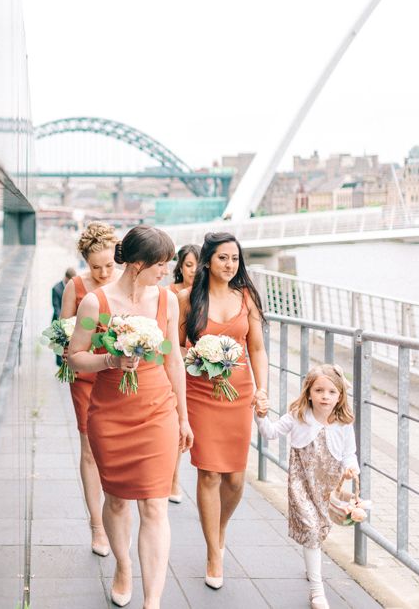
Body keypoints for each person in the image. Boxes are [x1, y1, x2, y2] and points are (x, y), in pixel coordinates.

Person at [68, 225, 193, 609]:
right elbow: (74, 356)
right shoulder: (95, 304)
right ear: (138, 265)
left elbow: (172, 355)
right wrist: (111, 359)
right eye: (161, 264)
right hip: (110, 413)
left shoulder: (166, 301)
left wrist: (184, 418)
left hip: (157, 411)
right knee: (118, 501)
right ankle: (123, 566)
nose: (167, 272)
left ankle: (152, 600)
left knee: (154, 505)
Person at [178, 231, 268, 589]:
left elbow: (257, 349)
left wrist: (263, 390)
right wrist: (200, 357)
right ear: (207, 261)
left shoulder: (248, 298)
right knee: (210, 474)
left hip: (239, 393)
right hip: (201, 392)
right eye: (222, 258)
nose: (230, 265)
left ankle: (220, 527)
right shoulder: (188, 299)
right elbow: (176, 348)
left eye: (235, 259)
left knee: (235, 478)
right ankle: (214, 552)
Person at [255, 365, 359, 609]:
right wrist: (260, 415)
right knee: (311, 531)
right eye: (319, 390)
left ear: (340, 396)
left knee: (319, 532)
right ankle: (317, 590)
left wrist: (352, 468)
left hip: (327, 489)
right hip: (301, 484)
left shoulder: (343, 424)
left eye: (332, 392)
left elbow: (349, 453)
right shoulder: (298, 416)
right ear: (309, 392)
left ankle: (312, 567)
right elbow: (270, 433)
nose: (325, 396)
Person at [60, 223, 120, 557]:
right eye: (96, 266)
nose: (103, 272)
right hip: (85, 378)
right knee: (88, 449)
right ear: (86, 261)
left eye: (109, 265)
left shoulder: (124, 285)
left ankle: (116, 511)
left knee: (113, 447)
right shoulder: (76, 286)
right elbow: (63, 332)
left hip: (118, 378)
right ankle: (97, 525)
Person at [166, 243, 200, 504]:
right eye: (189, 265)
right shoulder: (171, 294)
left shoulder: (206, 295)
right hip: (177, 367)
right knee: (178, 423)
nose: (194, 270)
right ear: (180, 267)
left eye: (198, 264)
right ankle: (174, 480)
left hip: (202, 371)